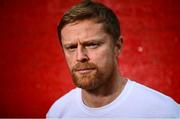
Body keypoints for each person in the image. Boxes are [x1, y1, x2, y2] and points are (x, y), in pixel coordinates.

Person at [47, 0, 179, 118]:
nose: (80, 56)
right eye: (71, 47)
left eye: (92, 44)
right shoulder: (58, 112)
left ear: (117, 46)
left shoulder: (164, 112)